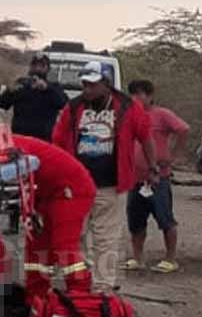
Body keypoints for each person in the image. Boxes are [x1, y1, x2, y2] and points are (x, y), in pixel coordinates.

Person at [52, 61, 157, 291]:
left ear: (106, 84)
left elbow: (145, 136)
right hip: (77, 185)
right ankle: (80, 280)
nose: (87, 89)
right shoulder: (73, 107)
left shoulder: (128, 107)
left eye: (92, 84)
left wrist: (153, 166)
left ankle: (103, 286)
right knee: (74, 236)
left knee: (106, 238)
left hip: (111, 185)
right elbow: (58, 141)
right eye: (84, 84)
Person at [12, 135, 97, 305]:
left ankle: (80, 294)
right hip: (47, 192)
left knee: (64, 246)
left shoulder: (11, 148)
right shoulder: (6, 145)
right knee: (36, 245)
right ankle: (35, 297)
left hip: (71, 189)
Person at [123, 80, 190, 274]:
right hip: (135, 178)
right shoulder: (129, 116)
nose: (136, 98)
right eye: (133, 94)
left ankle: (170, 259)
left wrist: (175, 155)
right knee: (135, 219)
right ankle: (137, 257)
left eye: (141, 94)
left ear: (150, 96)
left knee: (165, 217)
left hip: (158, 177)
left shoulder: (161, 115)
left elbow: (183, 129)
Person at [0, 53, 68, 140]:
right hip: (20, 138)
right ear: (30, 67)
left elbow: (64, 104)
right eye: (34, 65)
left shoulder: (54, 87)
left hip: (43, 140)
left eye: (42, 66)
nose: (37, 68)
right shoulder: (21, 85)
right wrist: (10, 91)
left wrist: (47, 88)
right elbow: (2, 104)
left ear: (48, 69)